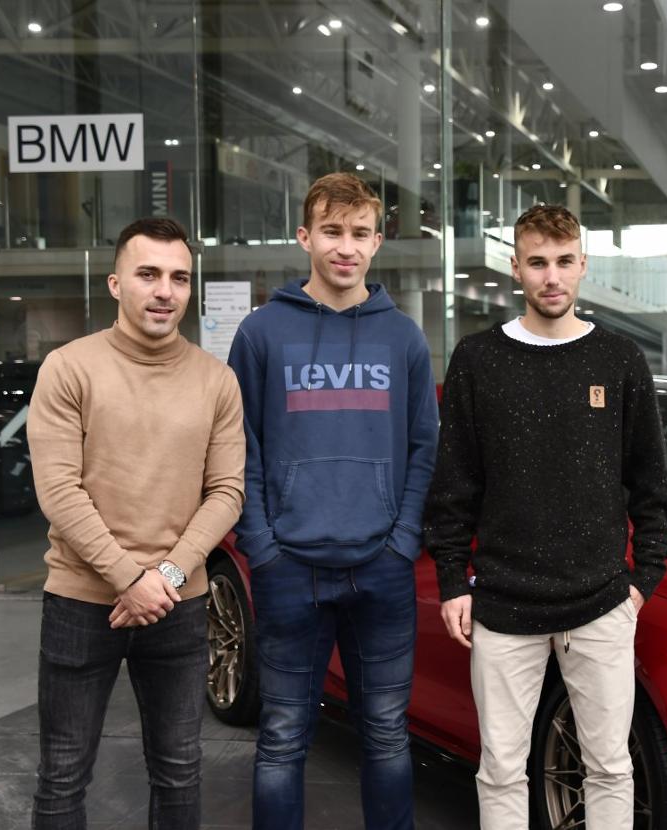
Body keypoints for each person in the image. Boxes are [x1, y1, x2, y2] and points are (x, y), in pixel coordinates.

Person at [424, 203, 667, 829]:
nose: (552, 277)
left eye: (564, 262)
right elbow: (455, 483)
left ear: (583, 265)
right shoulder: (478, 360)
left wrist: (640, 584)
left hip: (601, 606)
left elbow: (652, 483)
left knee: (612, 767)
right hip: (504, 606)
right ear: (516, 269)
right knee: (502, 769)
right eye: (538, 263)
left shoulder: (618, 359)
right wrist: (454, 580)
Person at [227, 172, 438, 830]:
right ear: (304, 237)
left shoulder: (402, 337)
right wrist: (260, 547)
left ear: (378, 242)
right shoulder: (261, 333)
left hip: (381, 565)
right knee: (283, 738)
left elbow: (425, 448)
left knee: (384, 735)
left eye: (359, 234)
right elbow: (241, 447)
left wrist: (403, 540)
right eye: (331, 232)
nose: (345, 247)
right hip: (289, 566)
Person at [27, 217, 246, 829]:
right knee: (63, 774)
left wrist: (167, 576)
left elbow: (227, 492)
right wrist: (130, 578)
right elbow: (60, 491)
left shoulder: (215, 380)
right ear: (116, 282)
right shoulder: (69, 368)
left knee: (179, 770)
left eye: (179, 277)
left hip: (178, 604)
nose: (164, 291)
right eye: (148, 274)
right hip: (79, 602)